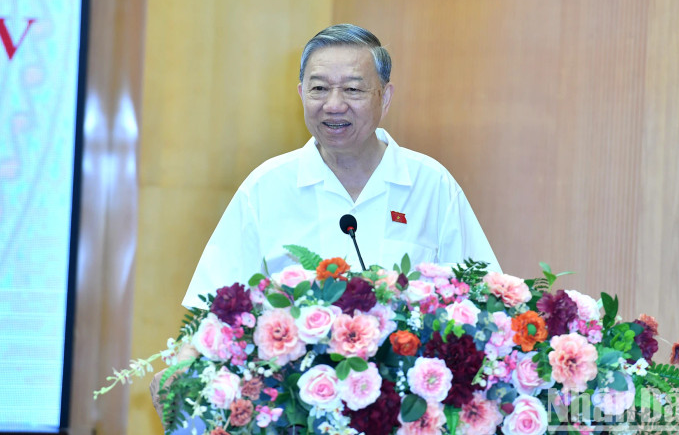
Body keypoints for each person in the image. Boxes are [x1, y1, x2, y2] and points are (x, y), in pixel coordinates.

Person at [181, 24, 500, 308]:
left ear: (384, 98)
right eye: (318, 88)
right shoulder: (265, 187)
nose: (333, 105)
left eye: (353, 89)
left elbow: (485, 300)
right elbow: (212, 307)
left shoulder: (431, 185)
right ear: (301, 95)